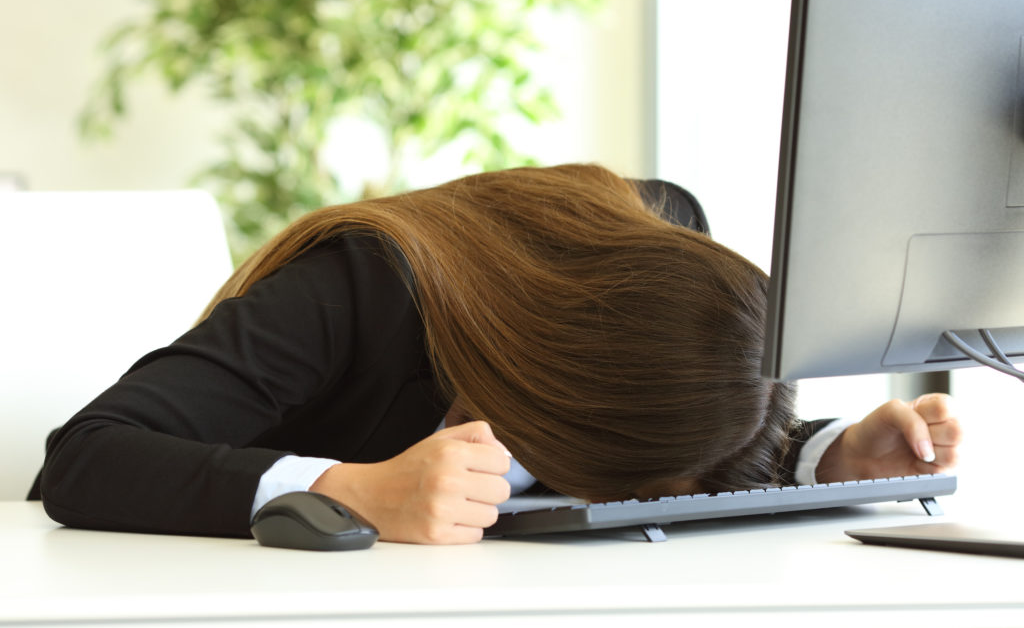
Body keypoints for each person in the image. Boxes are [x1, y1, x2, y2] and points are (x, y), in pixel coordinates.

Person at [35, 164, 961, 544]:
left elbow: (678, 452)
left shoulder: (666, 233)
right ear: (555, 386)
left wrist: (818, 451)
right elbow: (82, 459)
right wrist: (350, 490)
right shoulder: (366, 286)